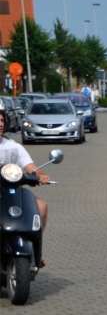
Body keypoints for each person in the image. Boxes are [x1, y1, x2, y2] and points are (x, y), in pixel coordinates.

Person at [0, 103, 51, 267]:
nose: (0, 123)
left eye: (1, 120)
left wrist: (41, 175)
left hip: (12, 194)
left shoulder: (14, 147)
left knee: (41, 206)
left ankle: (36, 252)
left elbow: (31, 168)